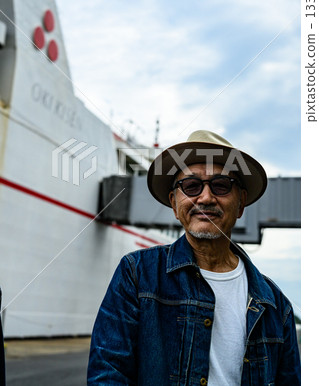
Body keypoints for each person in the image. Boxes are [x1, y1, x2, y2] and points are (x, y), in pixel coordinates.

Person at [87, 130, 301, 385]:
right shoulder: (136, 274)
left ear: (241, 203)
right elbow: (107, 375)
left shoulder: (277, 306)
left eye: (221, 185)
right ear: (175, 203)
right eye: (191, 186)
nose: (206, 197)